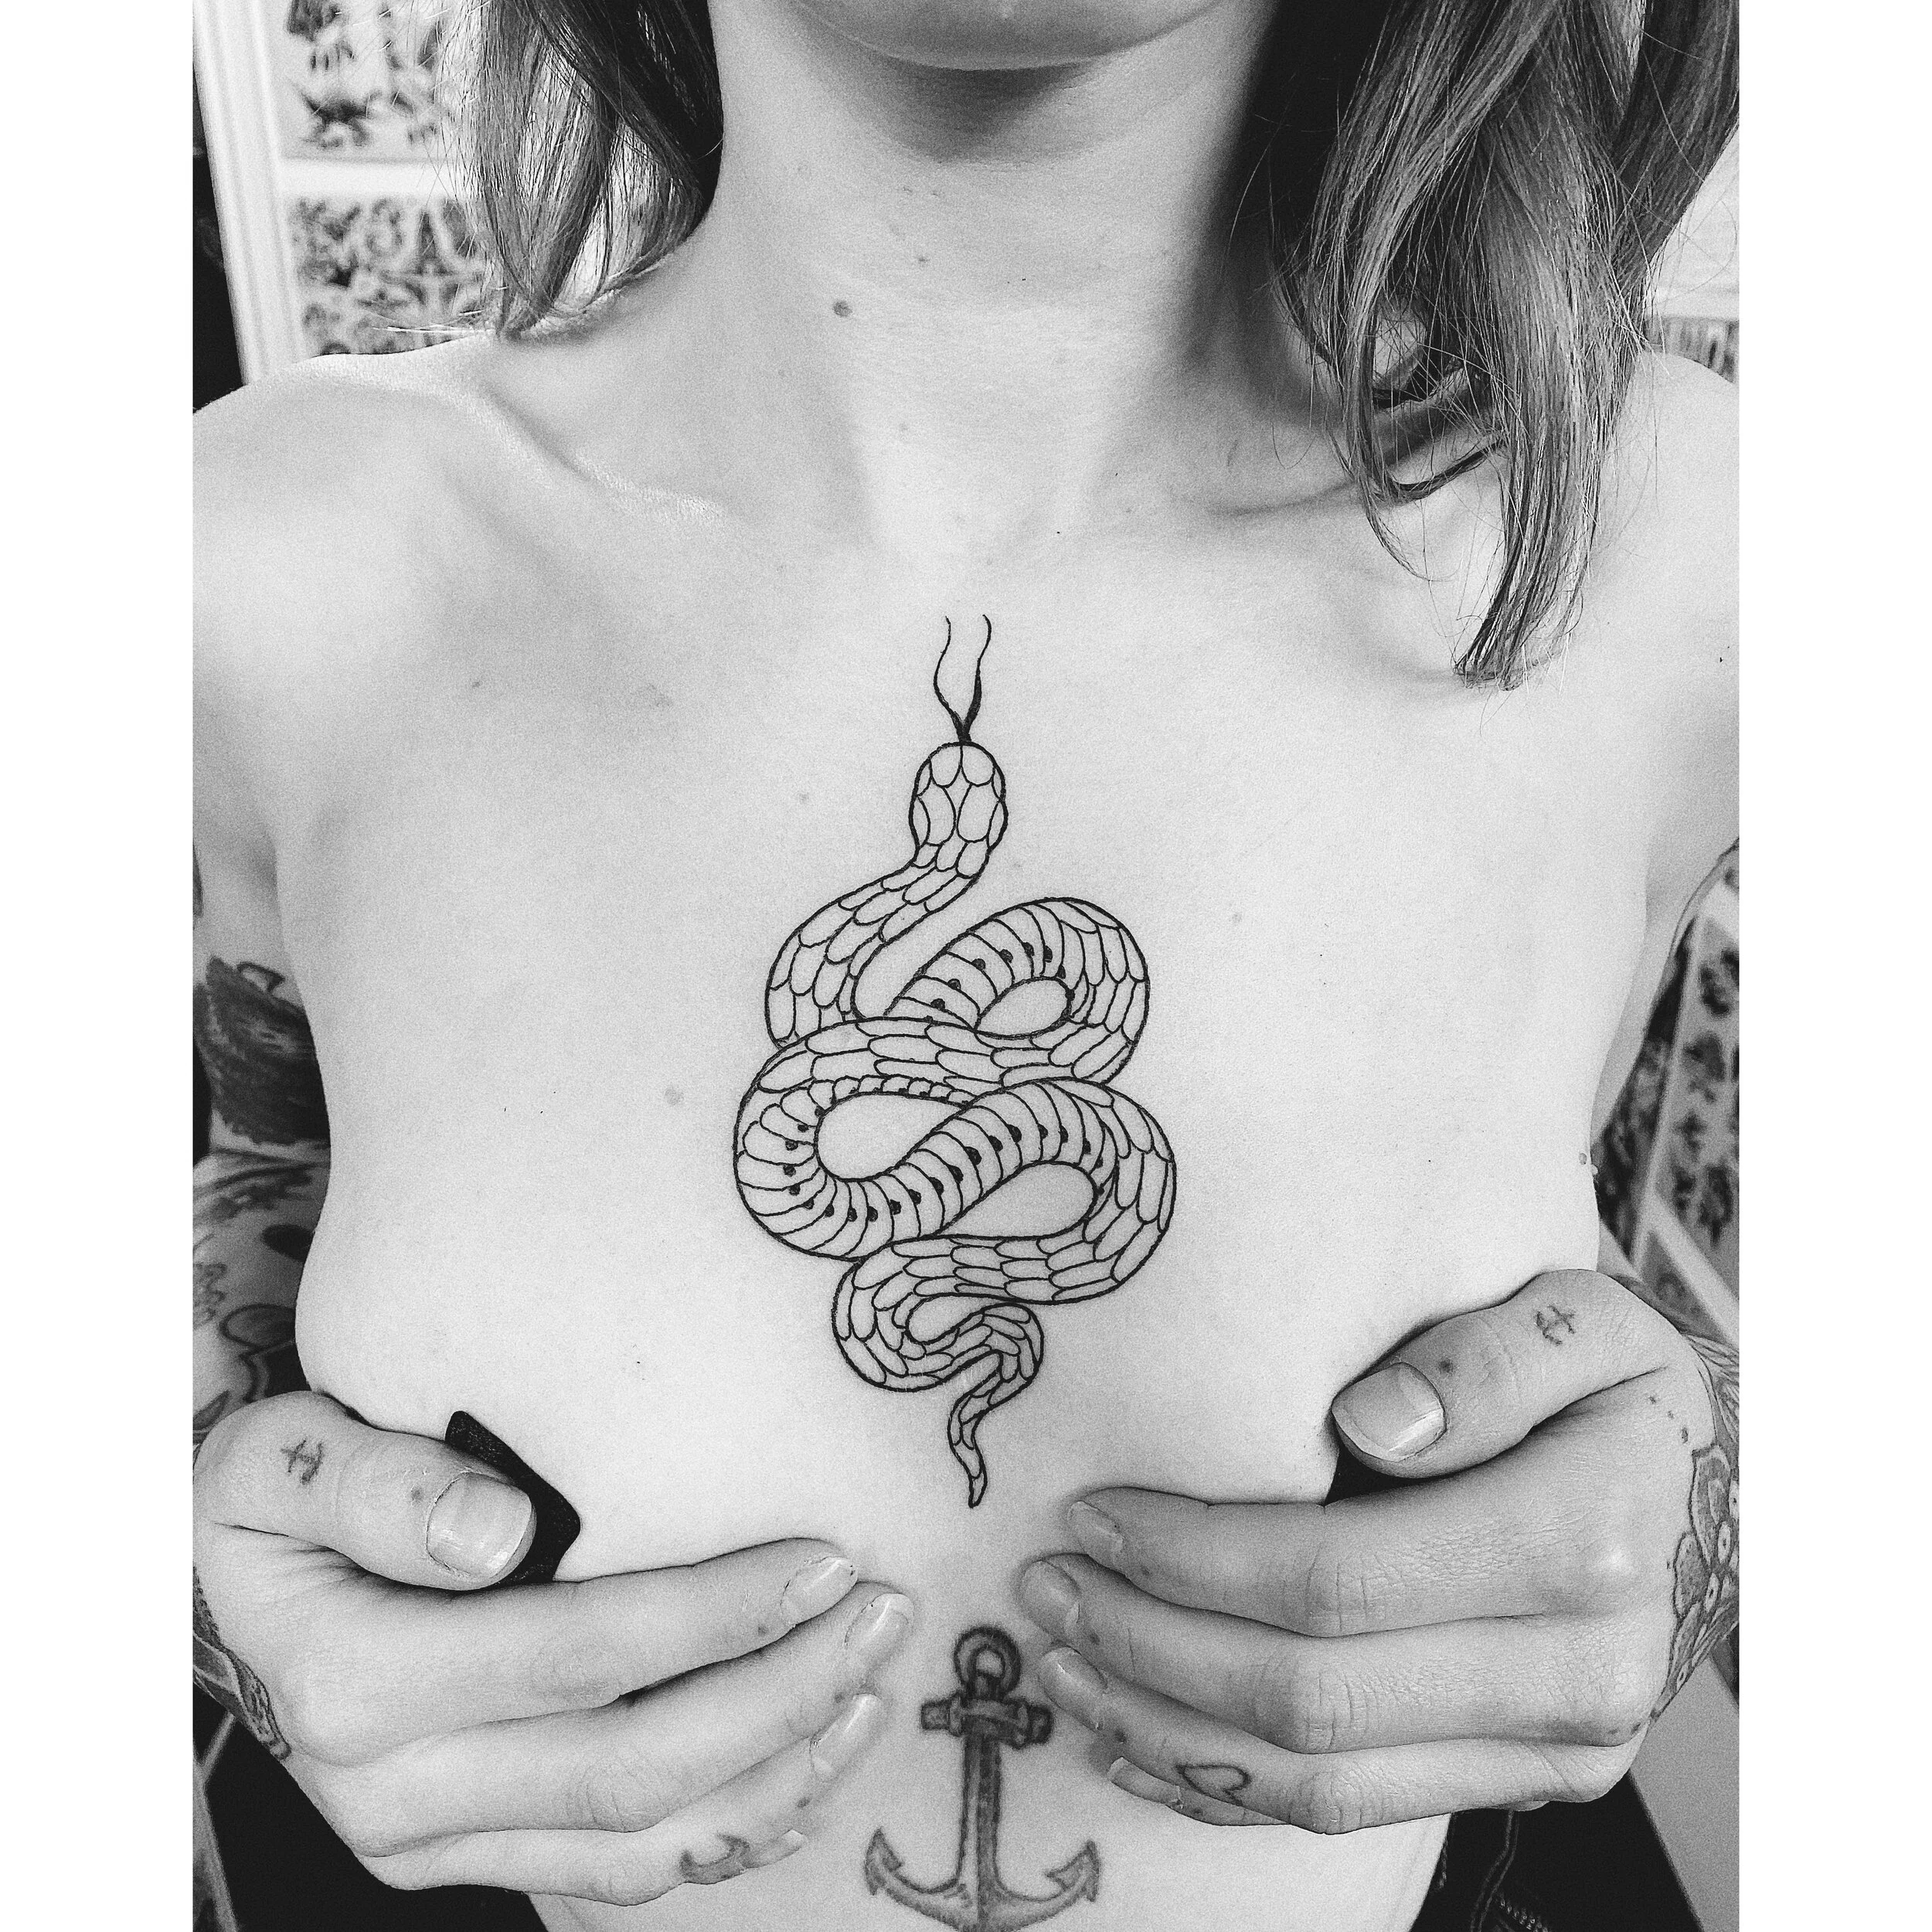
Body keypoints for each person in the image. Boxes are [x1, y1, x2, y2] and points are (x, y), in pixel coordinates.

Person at [193, 2, 1738, 1927]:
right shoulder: (257, 556)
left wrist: (1720, 1498)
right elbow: (265, 1175)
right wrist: (188, 1550)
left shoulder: (1670, 547)